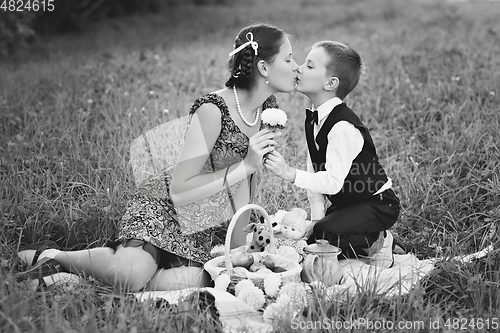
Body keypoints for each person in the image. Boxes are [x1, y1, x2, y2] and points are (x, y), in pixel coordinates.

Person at [16, 23, 299, 291]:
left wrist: (238, 253)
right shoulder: (213, 110)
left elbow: (245, 185)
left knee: (204, 278)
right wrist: (245, 165)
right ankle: (54, 255)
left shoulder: (267, 110)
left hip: (207, 221)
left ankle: (83, 277)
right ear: (263, 67)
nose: (296, 66)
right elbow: (180, 189)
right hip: (165, 208)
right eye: (289, 59)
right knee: (130, 276)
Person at [264, 40, 400, 268]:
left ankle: (379, 241)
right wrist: (316, 218)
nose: (298, 68)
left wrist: (289, 173)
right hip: (349, 203)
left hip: (377, 204)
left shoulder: (342, 126)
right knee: (314, 233)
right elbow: (315, 173)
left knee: (324, 233)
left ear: (330, 83)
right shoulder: (314, 119)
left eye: (309, 66)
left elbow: (333, 182)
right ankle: (358, 238)